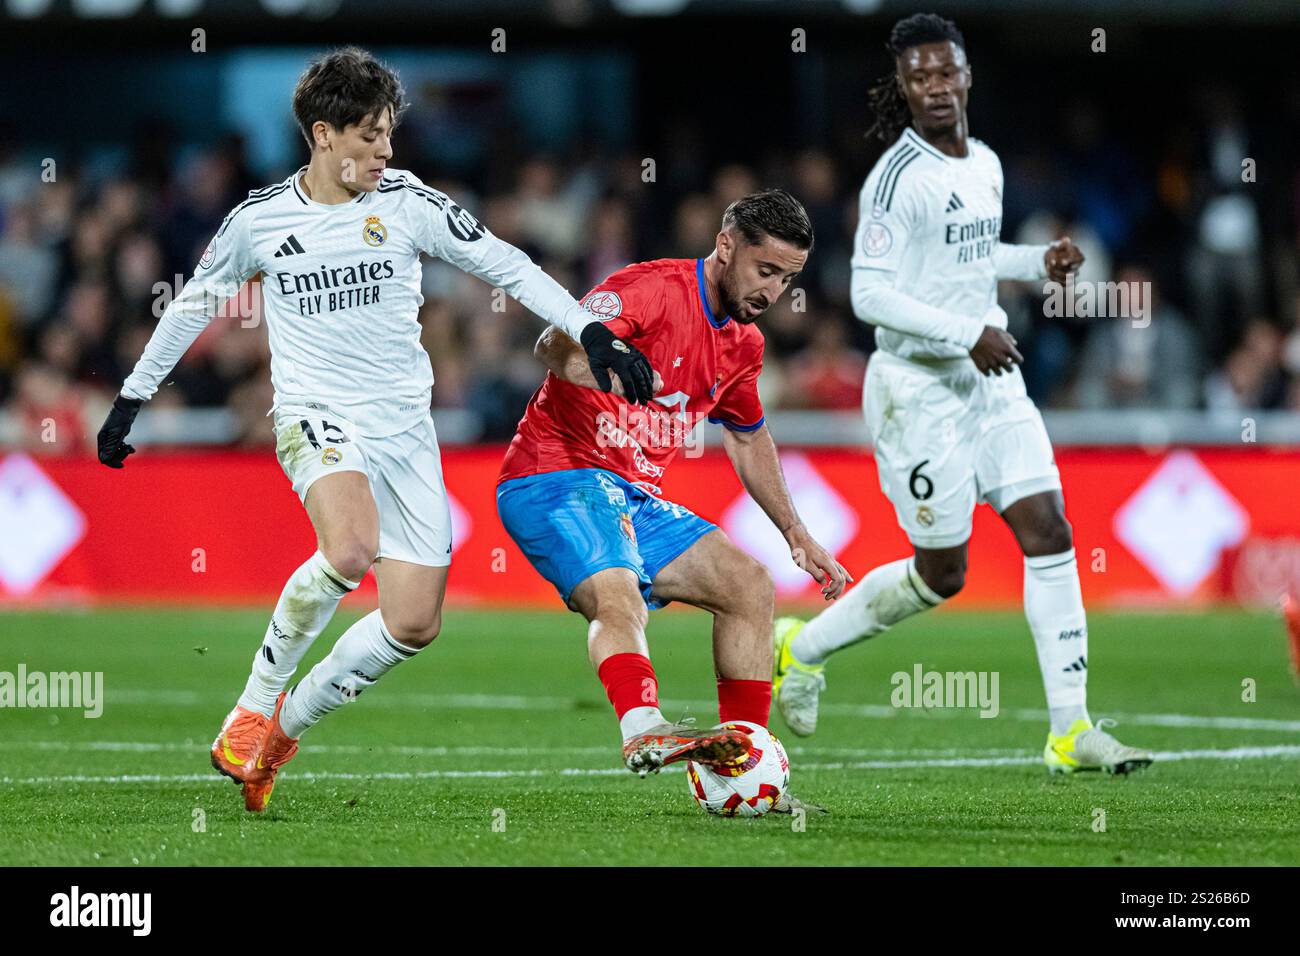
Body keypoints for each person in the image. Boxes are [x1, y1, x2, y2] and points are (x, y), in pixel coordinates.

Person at [95, 47, 655, 812]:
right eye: (368, 136)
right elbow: (193, 304)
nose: (385, 152)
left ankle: (282, 732)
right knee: (350, 547)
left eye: (389, 134)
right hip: (314, 415)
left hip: (404, 428)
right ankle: (255, 703)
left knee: (415, 622)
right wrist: (132, 399)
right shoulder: (259, 223)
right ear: (322, 135)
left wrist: (589, 330)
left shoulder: (409, 204)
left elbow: (505, 264)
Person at [772, 14, 1152, 775]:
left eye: (946, 73)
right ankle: (800, 646)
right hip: (920, 392)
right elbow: (868, 293)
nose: (936, 88)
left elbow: (970, 259)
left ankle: (1070, 732)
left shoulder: (985, 161)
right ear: (905, 89)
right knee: (944, 573)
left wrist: (1037, 260)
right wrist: (960, 334)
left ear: (966, 76)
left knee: (1049, 529)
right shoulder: (894, 180)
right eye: (920, 78)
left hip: (992, 379)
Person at [497, 190, 850, 775]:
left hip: (634, 496)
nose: (772, 292)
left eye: (786, 280)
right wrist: (606, 366)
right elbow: (551, 346)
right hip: (554, 472)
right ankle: (643, 730)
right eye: (765, 271)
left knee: (749, 586)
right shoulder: (649, 288)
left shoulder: (744, 344)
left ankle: (745, 760)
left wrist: (797, 532)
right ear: (725, 245)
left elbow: (746, 435)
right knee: (619, 594)